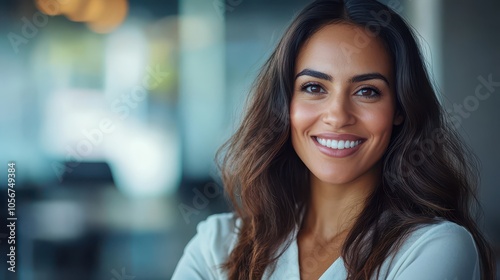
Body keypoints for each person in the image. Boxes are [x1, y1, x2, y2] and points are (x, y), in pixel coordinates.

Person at [172, 0, 496, 279]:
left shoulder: (434, 248)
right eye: (314, 88)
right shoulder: (217, 243)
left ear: (400, 107)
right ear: (286, 103)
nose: (338, 116)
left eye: (367, 91)